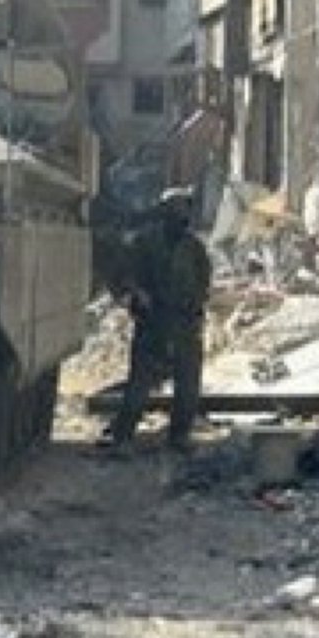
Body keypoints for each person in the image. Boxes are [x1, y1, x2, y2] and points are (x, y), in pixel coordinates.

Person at [102, 188, 212, 453]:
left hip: (185, 323)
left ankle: (179, 436)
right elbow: (122, 275)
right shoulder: (144, 243)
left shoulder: (194, 248)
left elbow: (203, 282)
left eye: (185, 208)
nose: (182, 215)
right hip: (153, 322)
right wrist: (137, 295)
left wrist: (195, 307)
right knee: (139, 384)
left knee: (187, 385)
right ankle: (124, 435)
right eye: (176, 209)